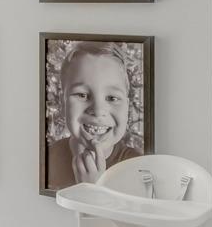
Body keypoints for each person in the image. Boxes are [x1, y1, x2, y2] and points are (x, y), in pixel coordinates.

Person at [45, 43, 142, 190]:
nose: (97, 110)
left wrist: (93, 190)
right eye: (82, 95)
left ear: (127, 107)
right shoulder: (46, 159)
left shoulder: (140, 168)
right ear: (62, 102)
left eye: (111, 98)